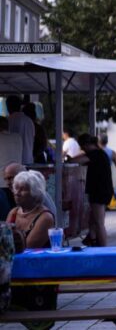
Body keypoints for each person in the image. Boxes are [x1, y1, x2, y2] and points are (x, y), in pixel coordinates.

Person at [7, 171, 57, 314]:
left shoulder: (45, 216)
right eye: (16, 188)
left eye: (23, 189)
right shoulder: (14, 212)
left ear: (35, 193)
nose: (17, 192)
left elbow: (28, 246)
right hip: (15, 269)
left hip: (37, 275)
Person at [74, 134, 114, 247]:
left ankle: (103, 248)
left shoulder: (94, 154)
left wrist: (68, 157)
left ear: (87, 144)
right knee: (93, 220)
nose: (82, 149)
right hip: (105, 190)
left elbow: (74, 160)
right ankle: (92, 239)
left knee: (99, 223)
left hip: (98, 191)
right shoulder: (101, 153)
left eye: (82, 146)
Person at [6, 95, 34, 165]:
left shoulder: (8, 121)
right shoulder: (29, 121)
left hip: (14, 163)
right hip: (28, 160)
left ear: (8, 107)